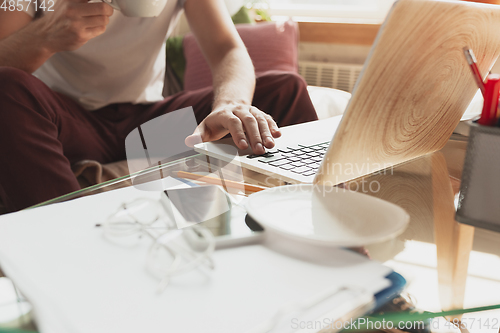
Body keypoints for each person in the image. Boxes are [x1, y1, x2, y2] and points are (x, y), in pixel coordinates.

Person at [0, 0, 318, 212]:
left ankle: (317, 222)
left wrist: (231, 105)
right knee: (6, 88)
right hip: (64, 126)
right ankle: (71, 241)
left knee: (284, 90)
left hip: (148, 129)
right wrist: (43, 36)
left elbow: (226, 47)